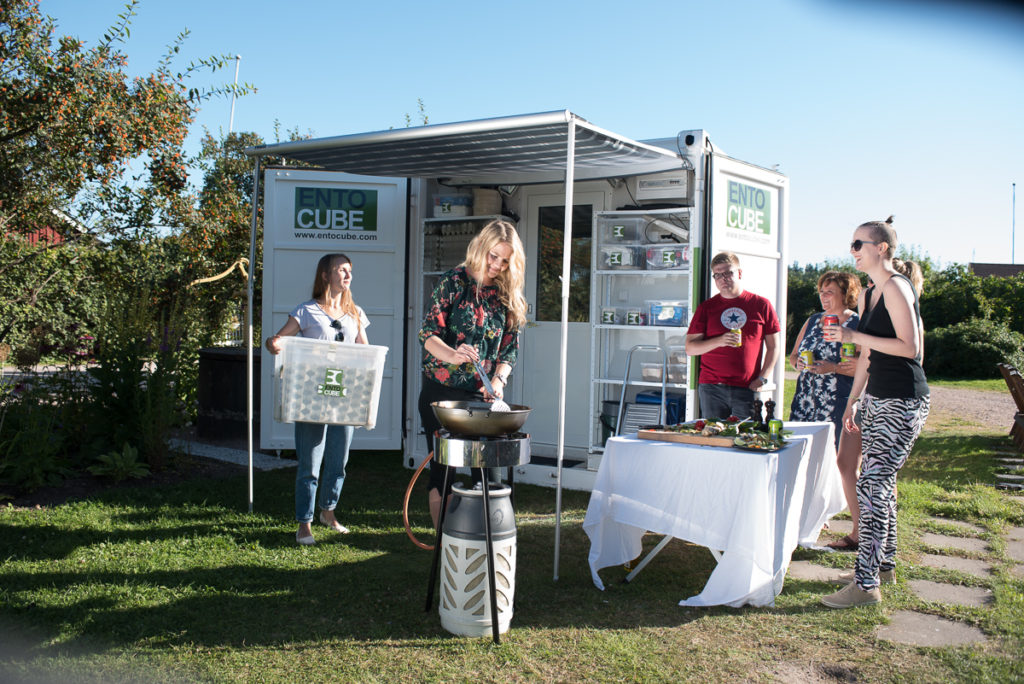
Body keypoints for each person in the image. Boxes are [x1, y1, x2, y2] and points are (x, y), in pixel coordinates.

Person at [821, 217, 929, 609]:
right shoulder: (869, 294)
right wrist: (854, 402)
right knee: (880, 485)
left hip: (903, 399)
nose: (853, 251)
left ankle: (865, 586)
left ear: (881, 247)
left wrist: (853, 335)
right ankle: (884, 565)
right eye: (851, 244)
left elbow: (909, 348)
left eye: (858, 244)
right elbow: (868, 355)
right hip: (878, 398)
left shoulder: (898, 288)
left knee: (873, 486)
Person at [418, 219, 528, 527]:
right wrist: (453, 355)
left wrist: (499, 379)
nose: (497, 265)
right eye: (494, 256)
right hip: (443, 394)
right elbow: (428, 335)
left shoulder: (507, 294)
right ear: (481, 248)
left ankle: (487, 537)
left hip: (483, 397)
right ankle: (445, 542)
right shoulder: (453, 281)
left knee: (489, 470)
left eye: (505, 261)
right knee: (444, 470)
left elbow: (510, 349)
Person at [265, 253, 370, 546]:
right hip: (311, 396)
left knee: (338, 461)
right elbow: (277, 340)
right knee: (310, 464)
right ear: (325, 275)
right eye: (342, 270)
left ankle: (328, 511)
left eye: (350, 270)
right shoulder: (306, 311)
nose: (348, 275)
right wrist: (273, 344)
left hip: (344, 396)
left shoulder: (355, 313)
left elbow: (365, 352)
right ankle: (304, 523)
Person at [685, 251, 781, 419]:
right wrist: (720, 341)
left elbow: (774, 347)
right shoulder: (707, 307)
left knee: (746, 439)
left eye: (728, 273)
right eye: (718, 275)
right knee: (714, 438)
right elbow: (690, 348)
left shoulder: (761, 305)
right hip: (712, 387)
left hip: (747, 387)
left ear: (739, 273)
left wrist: (763, 378)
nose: (724, 278)